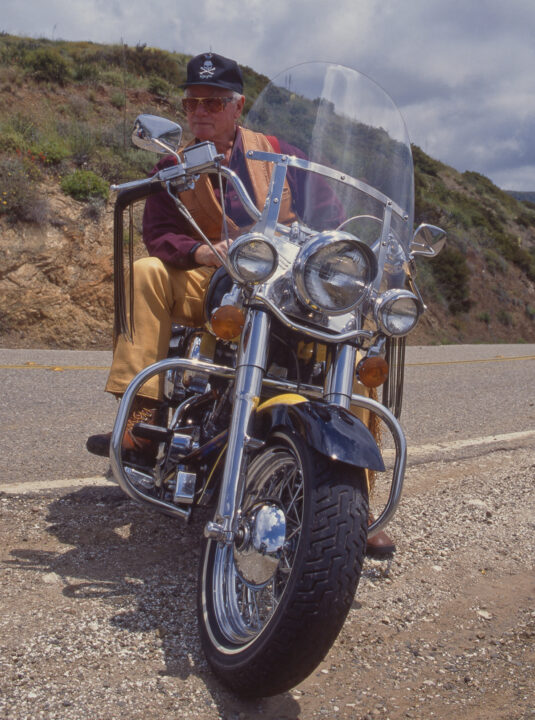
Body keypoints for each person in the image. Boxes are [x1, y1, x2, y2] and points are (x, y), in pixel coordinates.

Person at [86, 51, 395, 557]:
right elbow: (159, 234)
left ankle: (354, 499)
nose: (201, 111)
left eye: (213, 101)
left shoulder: (280, 154)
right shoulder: (174, 166)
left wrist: (333, 256)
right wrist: (200, 251)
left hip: (289, 286)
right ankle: (141, 417)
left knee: (360, 343)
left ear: (238, 106)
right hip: (215, 282)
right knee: (147, 272)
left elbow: (332, 216)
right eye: (193, 102)